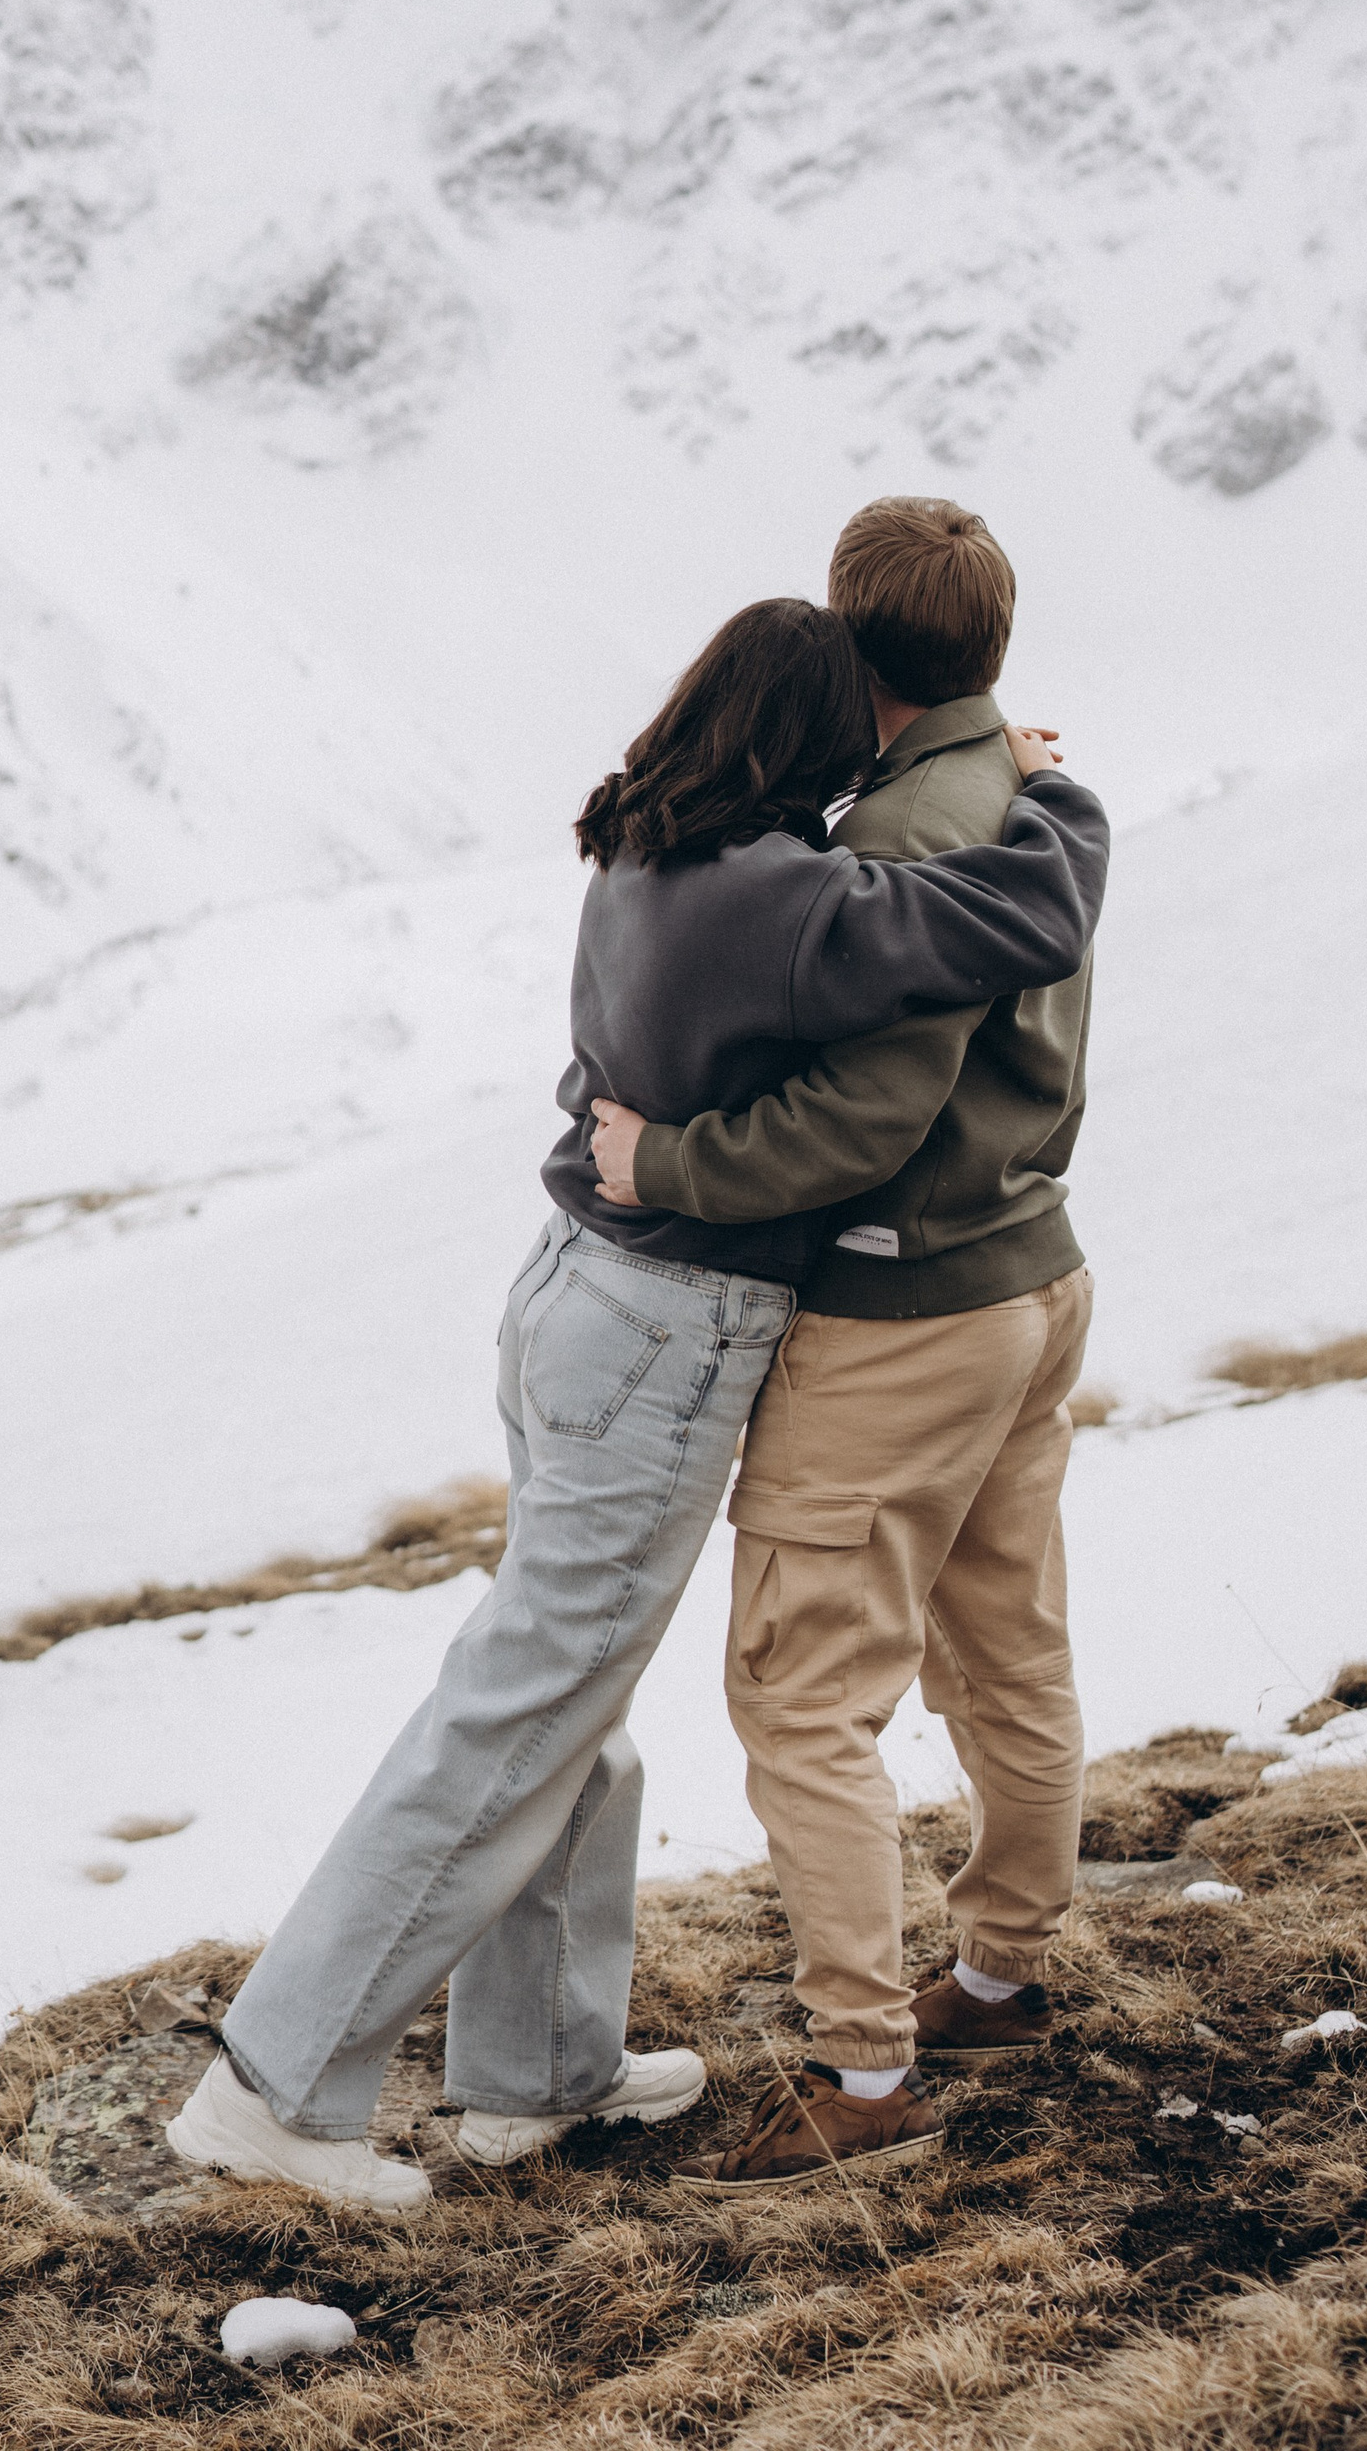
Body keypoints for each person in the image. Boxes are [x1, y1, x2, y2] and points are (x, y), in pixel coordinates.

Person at [166, 591, 1109, 2211]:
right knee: (523, 1702)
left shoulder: (650, 842)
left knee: (566, 1693)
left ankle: (533, 2071)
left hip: (577, 1293)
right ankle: (277, 2079)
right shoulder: (795, 898)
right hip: (668, 1326)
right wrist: (1037, 784)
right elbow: (1017, 919)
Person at [588, 500, 1099, 2192]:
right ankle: (1001, 1971)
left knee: (804, 1692)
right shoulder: (1014, 791)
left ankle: (863, 2068)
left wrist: (664, 1163)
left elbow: (863, 1119)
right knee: (1002, 1642)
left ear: (844, 639)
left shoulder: (892, 842)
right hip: (1035, 1277)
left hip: (907, 1310)